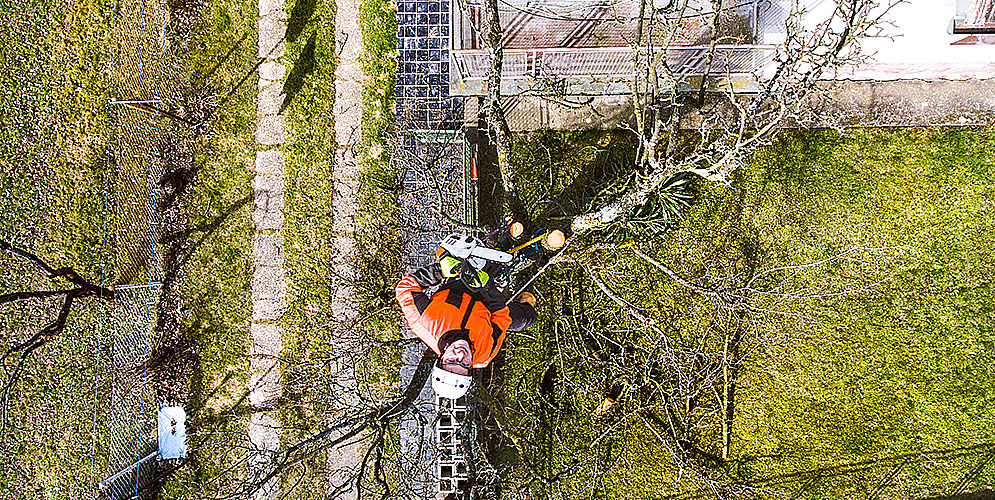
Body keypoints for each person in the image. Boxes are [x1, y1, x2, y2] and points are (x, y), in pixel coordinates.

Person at [395, 260, 537, 400]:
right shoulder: (484, 354)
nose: (461, 355)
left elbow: (405, 289)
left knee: (493, 257)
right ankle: (525, 282)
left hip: (458, 286)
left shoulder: (425, 322)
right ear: (471, 368)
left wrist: (440, 271)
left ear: (441, 359)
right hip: (487, 306)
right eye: (464, 364)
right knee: (526, 318)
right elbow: (501, 316)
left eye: (451, 361)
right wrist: (488, 288)